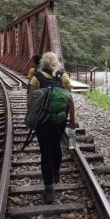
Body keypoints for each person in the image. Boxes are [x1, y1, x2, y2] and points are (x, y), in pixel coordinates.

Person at [28, 51, 77, 204]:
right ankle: (56, 170)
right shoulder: (63, 77)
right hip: (59, 120)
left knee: (45, 152)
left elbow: (30, 102)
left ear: (42, 63)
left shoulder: (36, 77)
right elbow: (70, 101)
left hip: (43, 121)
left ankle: (49, 190)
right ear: (56, 63)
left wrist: (32, 119)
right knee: (56, 146)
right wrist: (72, 121)